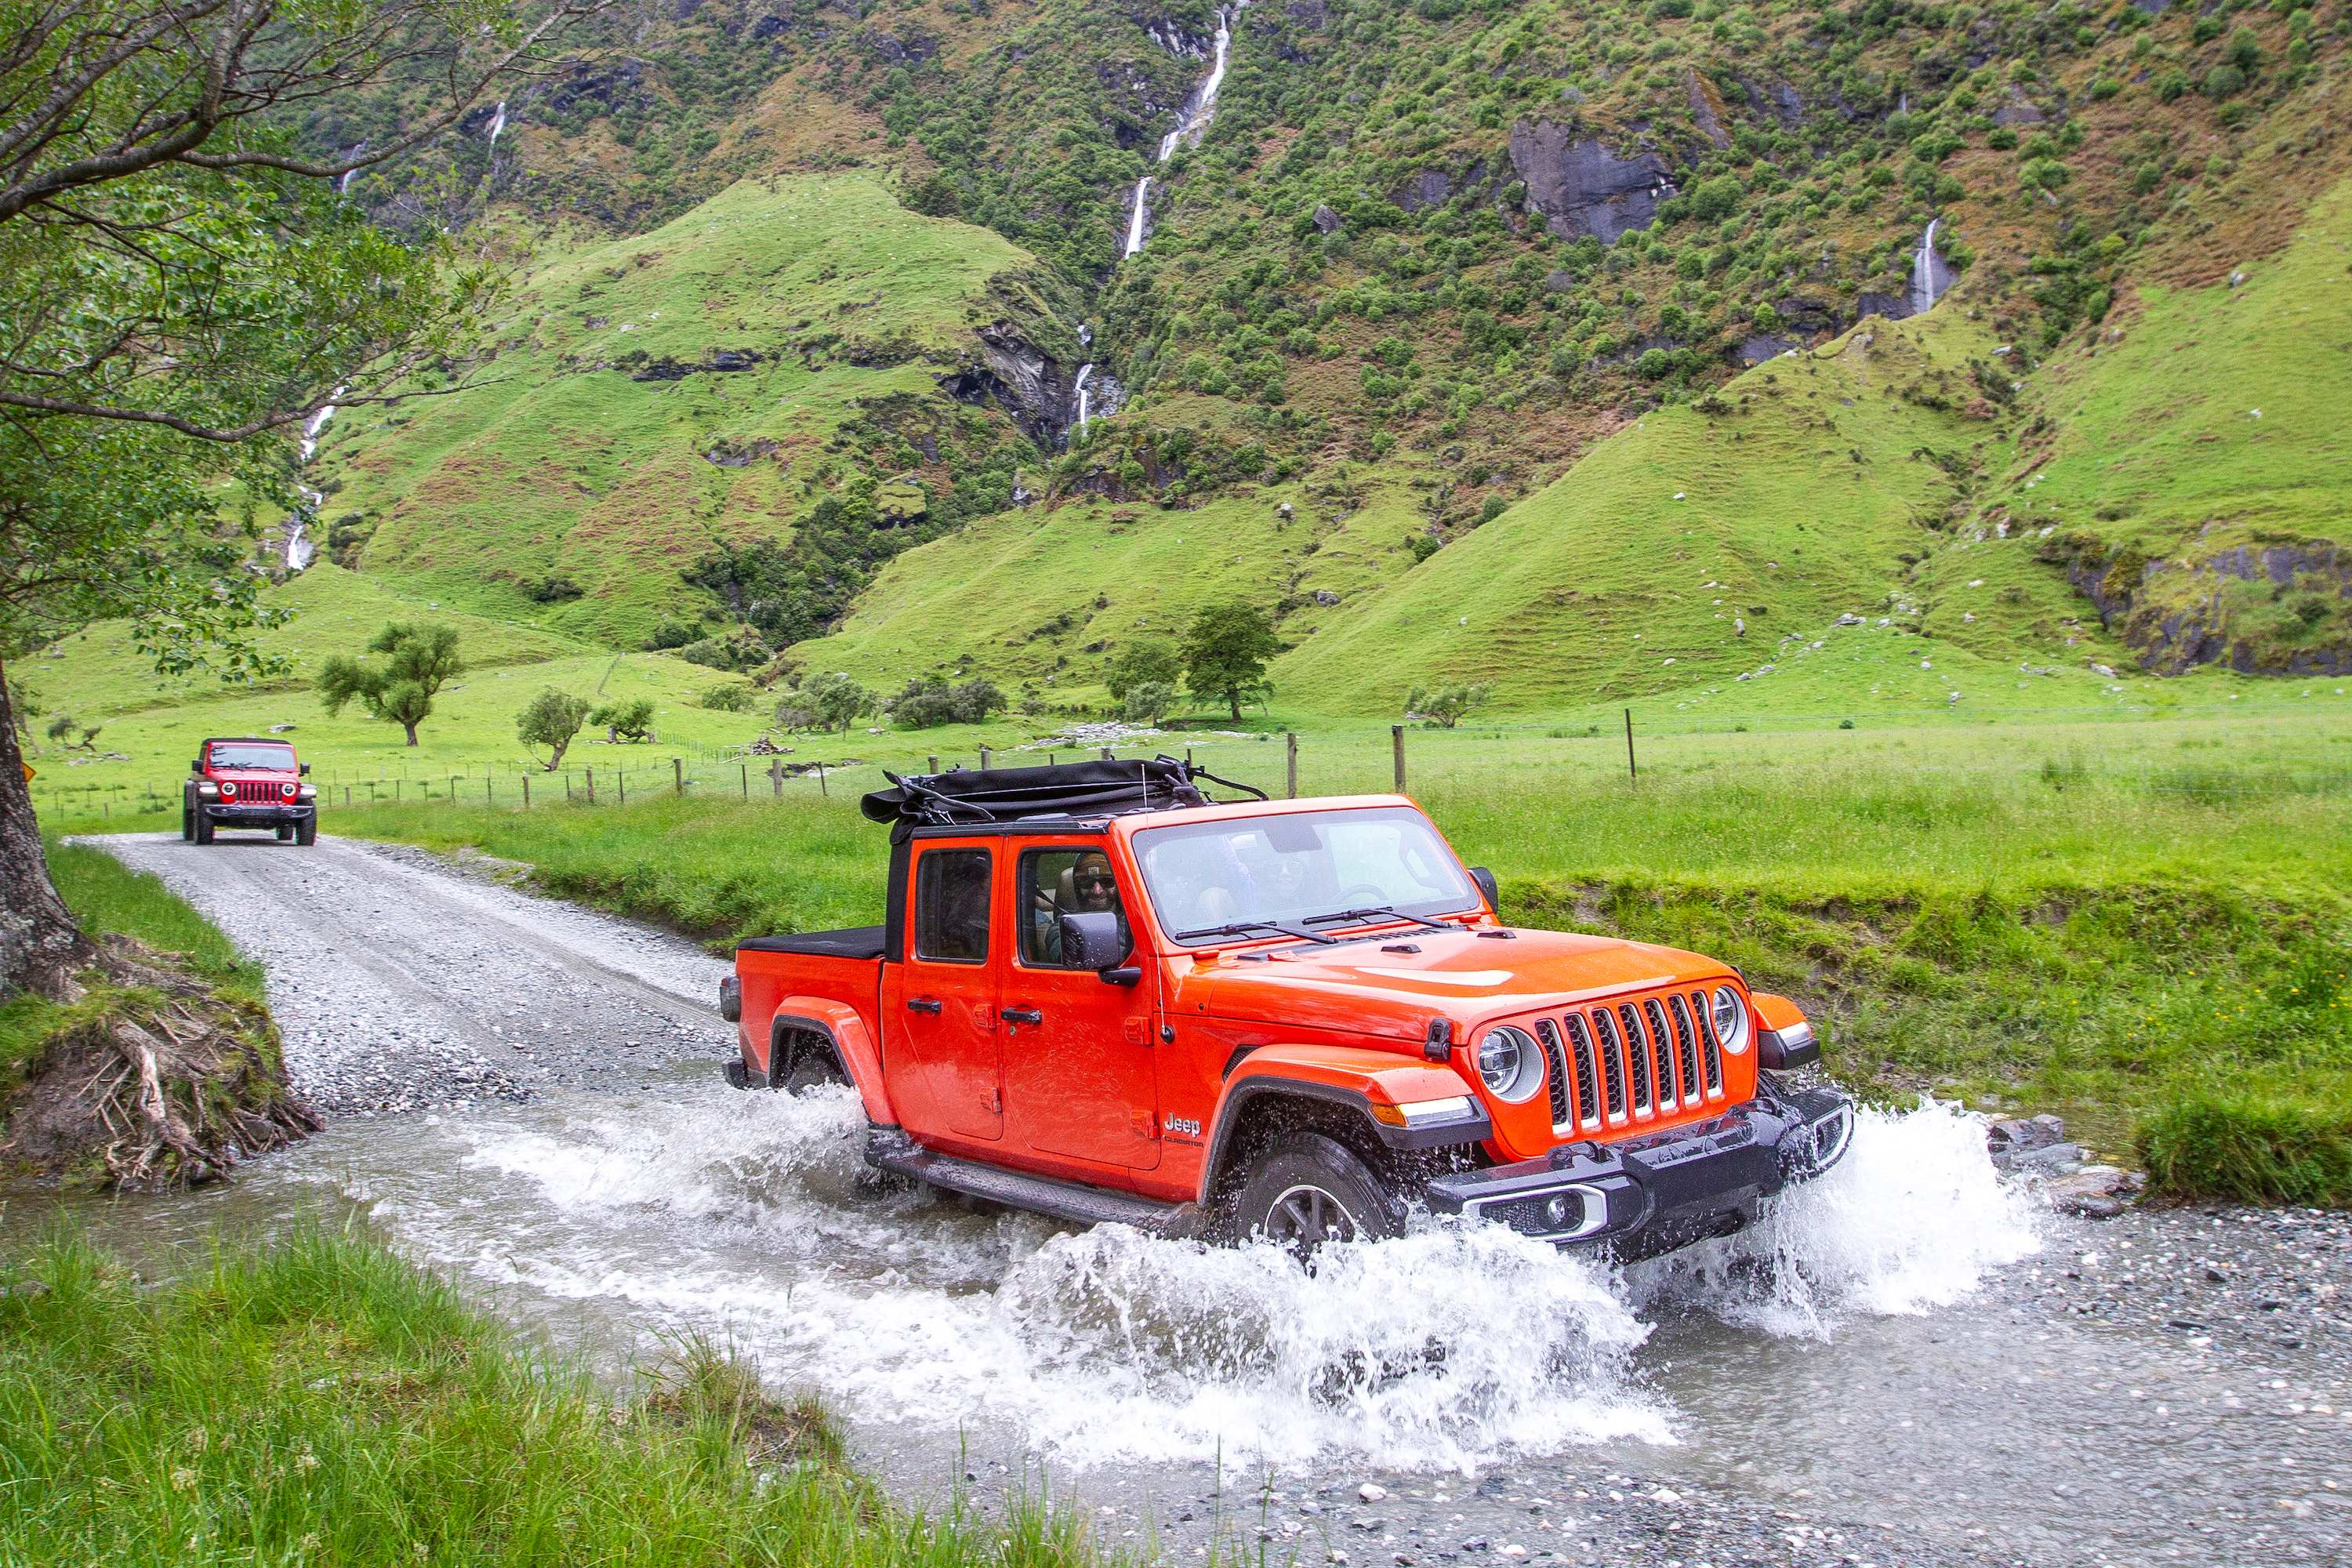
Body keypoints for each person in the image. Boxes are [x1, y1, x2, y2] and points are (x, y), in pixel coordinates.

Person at [1031, 850, 1127, 965]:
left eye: (1107, 881)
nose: (1097, 891)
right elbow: (1067, 954)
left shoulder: (1137, 922)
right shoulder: (1061, 928)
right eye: (1086, 882)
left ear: (1118, 884)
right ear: (1077, 886)